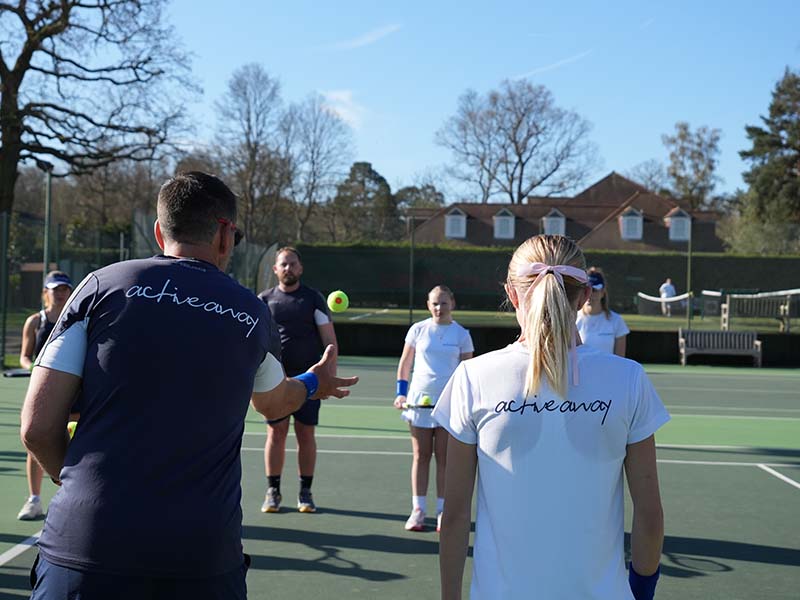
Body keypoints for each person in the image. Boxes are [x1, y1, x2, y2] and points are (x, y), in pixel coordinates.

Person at [20, 171, 358, 600]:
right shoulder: (251, 312)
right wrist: (314, 382)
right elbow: (274, 404)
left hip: (83, 547)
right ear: (225, 235)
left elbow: (36, 427)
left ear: (160, 232)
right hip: (200, 559)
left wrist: (70, 480)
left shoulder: (99, 286)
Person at [434, 234, 668, 600]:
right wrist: (641, 593)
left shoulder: (472, 377)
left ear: (512, 294)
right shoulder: (628, 379)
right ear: (585, 295)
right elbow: (650, 515)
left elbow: (455, 516)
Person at [258, 247, 338, 514]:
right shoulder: (265, 300)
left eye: (293, 264)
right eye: (283, 264)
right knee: (276, 433)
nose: (288, 268)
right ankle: (273, 491)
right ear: (275, 269)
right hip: (275, 380)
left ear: (300, 268)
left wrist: (328, 374)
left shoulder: (314, 299)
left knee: (306, 434)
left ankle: (305, 492)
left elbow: (329, 339)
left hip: (309, 381)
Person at [393, 285, 473, 532]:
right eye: (435, 303)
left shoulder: (461, 335)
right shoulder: (418, 330)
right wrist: (400, 394)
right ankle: (418, 510)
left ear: (453, 303)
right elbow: (405, 364)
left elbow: (467, 372)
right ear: (428, 305)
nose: (439, 308)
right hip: (419, 402)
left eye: (444, 303)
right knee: (421, 455)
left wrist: (462, 402)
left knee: (444, 459)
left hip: (448, 404)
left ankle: (441, 510)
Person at [16, 271, 74, 521]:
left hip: (73, 388)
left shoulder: (76, 319)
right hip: (42, 389)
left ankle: (75, 495)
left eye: (64, 289)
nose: (60, 293)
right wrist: (35, 367)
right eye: (55, 289)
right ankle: (34, 500)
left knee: (80, 435)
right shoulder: (35, 321)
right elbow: (24, 355)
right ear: (45, 292)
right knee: (37, 437)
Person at [576, 267, 630, 356]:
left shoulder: (616, 321)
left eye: (594, 290)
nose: (589, 294)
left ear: (603, 292)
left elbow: (620, 360)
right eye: (585, 290)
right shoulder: (572, 320)